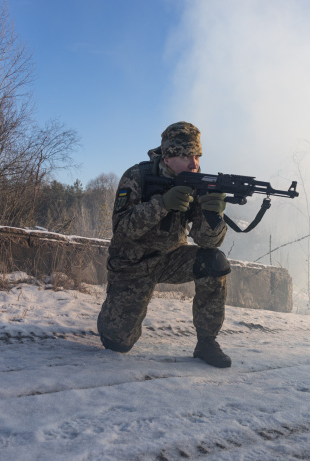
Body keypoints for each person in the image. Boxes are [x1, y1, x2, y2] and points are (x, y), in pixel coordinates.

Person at [97, 122, 233, 368]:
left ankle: (206, 342)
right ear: (168, 157)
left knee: (214, 262)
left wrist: (214, 216)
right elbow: (122, 231)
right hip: (133, 263)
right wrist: (162, 204)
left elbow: (206, 242)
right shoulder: (137, 177)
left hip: (172, 259)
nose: (194, 163)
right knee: (117, 342)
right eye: (185, 155)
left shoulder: (198, 182)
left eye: (197, 156)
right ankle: (113, 319)